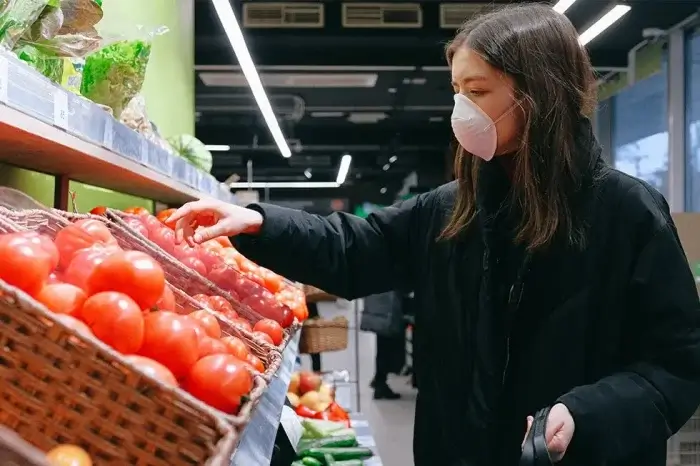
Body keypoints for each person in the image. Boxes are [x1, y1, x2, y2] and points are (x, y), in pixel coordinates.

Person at [167, 4, 700, 465]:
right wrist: (260, 221)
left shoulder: (627, 213)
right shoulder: (454, 208)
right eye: (456, 90)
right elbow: (355, 247)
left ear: (537, 97)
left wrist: (587, 413)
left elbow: (677, 365)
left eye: (478, 90)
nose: (460, 109)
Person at [361, 290, 407, 399]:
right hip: (387, 305)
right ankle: (380, 382)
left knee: (383, 342)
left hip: (379, 303)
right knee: (386, 343)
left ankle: (379, 379)